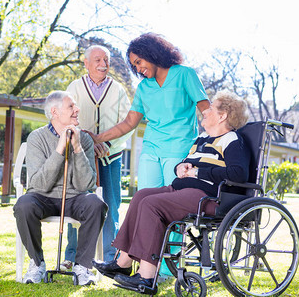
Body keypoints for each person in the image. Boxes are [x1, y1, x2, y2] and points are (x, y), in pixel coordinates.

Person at [92, 90, 250, 292]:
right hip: (183, 190)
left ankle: (147, 277)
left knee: (152, 204)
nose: (205, 110)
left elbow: (238, 173)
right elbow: (187, 163)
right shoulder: (202, 139)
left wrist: (198, 172)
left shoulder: (231, 140)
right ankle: (123, 263)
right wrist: (180, 168)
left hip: (208, 197)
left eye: (211, 107)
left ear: (223, 115)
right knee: (141, 196)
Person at [85, 32, 210, 277]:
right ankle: (129, 260)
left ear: (153, 54)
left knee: (171, 207)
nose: (139, 69)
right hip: (151, 148)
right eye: (134, 66)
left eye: (140, 62)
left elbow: (205, 109)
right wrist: (98, 138)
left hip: (179, 149)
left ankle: (164, 267)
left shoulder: (185, 75)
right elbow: (129, 122)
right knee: (142, 201)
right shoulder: (144, 87)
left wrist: (219, 138)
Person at [13, 91, 108, 285]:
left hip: (75, 198)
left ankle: (82, 267)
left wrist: (77, 148)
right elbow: (39, 184)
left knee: (95, 203)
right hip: (42, 197)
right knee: (23, 204)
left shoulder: (85, 140)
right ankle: (37, 263)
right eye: (71, 106)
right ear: (55, 112)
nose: (77, 110)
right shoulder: (36, 138)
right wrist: (59, 149)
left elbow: (86, 185)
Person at [60, 45, 133, 269]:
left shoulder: (118, 89)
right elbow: (65, 118)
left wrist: (107, 143)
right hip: (80, 157)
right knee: (77, 204)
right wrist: (85, 142)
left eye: (106, 60)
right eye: (97, 60)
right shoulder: (74, 87)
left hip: (111, 156)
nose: (103, 64)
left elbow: (128, 124)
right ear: (86, 63)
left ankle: (111, 257)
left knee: (111, 205)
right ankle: (71, 256)